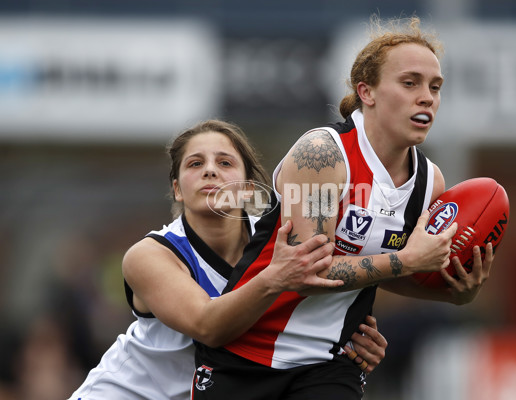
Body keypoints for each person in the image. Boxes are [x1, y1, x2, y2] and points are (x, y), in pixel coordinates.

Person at [192, 16, 494, 399]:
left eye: (435, 87)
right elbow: (306, 271)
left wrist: (452, 293)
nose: (427, 97)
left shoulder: (429, 183)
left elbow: (388, 271)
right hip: (247, 353)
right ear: (366, 92)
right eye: (410, 83)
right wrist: (409, 260)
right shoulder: (322, 155)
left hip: (330, 363)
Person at [69, 120, 388, 400]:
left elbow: (316, 297)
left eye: (225, 163)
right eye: (195, 164)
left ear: (249, 188)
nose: (210, 170)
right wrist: (275, 278)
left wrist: (350, 343)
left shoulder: (279, 238)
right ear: (177, 189)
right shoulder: (150, 255)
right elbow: (208, 326)